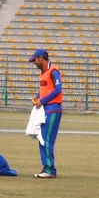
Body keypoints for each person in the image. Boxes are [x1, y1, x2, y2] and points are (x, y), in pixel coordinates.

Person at [29, 48, 62, 179]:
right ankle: (46, 167)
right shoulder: (43, 73)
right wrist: (38, 97)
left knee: (46, 139)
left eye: (35, 60)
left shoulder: (53, 71)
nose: (34, 63)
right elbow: (44, 89)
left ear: (40, 58)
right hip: (46, 109)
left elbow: (58, 89)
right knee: (42, 138)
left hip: (53, 109)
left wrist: (42, 101)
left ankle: (50, 169)